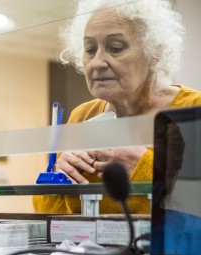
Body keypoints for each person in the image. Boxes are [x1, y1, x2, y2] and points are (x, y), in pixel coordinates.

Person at [33, 0, 201, 214]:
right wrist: (58, 177)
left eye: (115, 48)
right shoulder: (83, 115)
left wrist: (147, 168)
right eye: (90, 50)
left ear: (154, 52)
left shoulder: (193, 109)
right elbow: (49, 215)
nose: (97, 62)